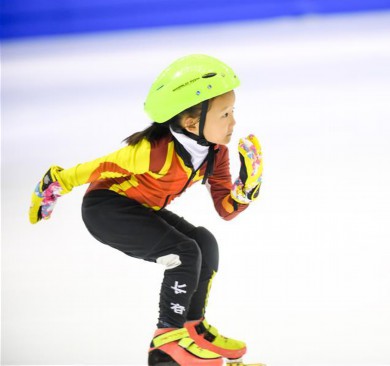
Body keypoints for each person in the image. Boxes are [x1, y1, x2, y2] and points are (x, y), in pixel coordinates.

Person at [28, 54, 263, 366]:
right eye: (225, 114)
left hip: (139, 208)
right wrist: (54, 185)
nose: (233, 122)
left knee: (204, 242)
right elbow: (98, 167)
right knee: (184, 252)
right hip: (106, 209)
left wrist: (246, 188)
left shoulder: (215, 155)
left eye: (233, 112)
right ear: (191, 121)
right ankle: (167, 344)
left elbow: (225, 209)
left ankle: (192, 331)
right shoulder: (154, 152)